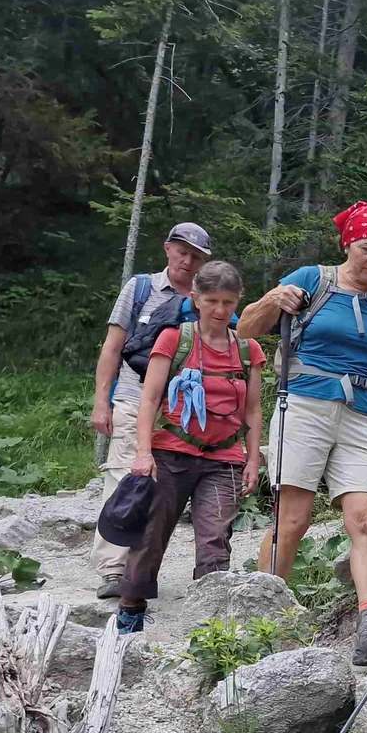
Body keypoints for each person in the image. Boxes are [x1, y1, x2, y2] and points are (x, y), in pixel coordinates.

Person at [236, 202, 367, 664]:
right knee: (292, 519)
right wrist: (273, 300)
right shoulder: (312, 279)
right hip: (306, 403)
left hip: (363, 414)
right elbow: (245, 331)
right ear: (347, 244)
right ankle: (261, 623)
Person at [115, 259, 266, 634]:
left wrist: (252, 458)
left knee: (216, 538)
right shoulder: (173, 339)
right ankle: (130, 608)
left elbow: (253, 410)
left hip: (224, 459)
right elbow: (149, 399)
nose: (219, 310)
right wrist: (143, 452)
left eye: (228, 302)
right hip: (169, 452)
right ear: (195, 298)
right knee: (152, 534)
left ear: (238, 302)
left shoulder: (248, 351)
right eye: (212, 300)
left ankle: (210, 622)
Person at [90, 222, 214, 599]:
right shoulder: (141, 288)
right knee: (127, 480)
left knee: (163, 489)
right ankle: (112, 569)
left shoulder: (207, 298)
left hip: (185, 412)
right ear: (167, 249)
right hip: (132, 396)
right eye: (182, 251)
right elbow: (113, 346)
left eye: (196, 256)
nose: (187, 260)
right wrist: (102, 400)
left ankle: (139, 570)